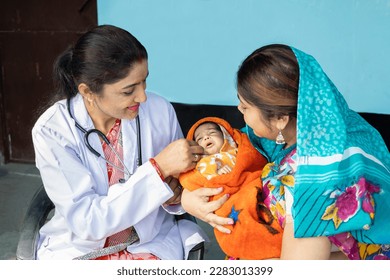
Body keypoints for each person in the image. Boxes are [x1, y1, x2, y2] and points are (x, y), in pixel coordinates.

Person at [181, 44, 390, 260]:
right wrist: (188, 198)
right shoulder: (329, 122)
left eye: (245, 106)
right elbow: (230, 150)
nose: (238, 110)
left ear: (280, 118)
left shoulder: (312, 180)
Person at [31, 24, 207, 260]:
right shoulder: (53, 131)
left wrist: (176, 193)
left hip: (149, 242)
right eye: (128, 91)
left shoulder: (159, 111)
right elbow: (87, 222)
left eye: (144, 81)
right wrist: (159, 170)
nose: (143, 97)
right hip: (81, 249)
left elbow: (179, 192)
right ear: (88, 92)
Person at [179, 117, 282, 259]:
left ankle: (267, 244)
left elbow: (252, 161)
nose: (206, 137)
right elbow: (192, 180)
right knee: (240, 223)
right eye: (200, 138)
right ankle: (254, 245)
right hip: (228, 200)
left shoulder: (240, 147)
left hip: (250, 186)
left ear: (226, 136)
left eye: (212, 132)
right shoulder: (203, 163)